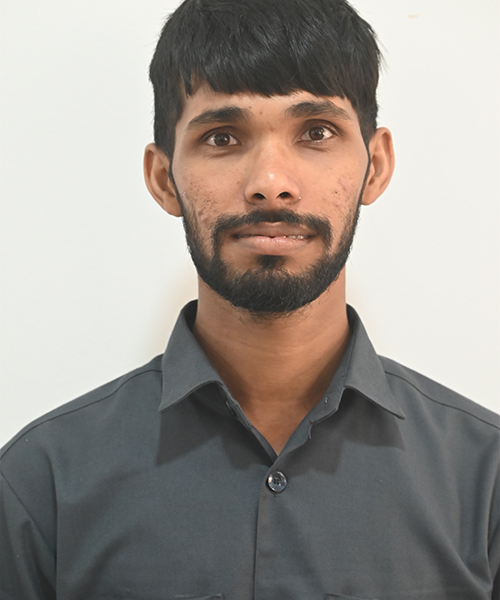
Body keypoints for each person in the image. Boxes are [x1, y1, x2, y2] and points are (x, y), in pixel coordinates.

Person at [1, 0, 498, 597]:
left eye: (316, 132)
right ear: (163, 179)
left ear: (375, 166)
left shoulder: (486, 477)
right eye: (222, 137)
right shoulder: (41, 484)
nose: (270, 184)